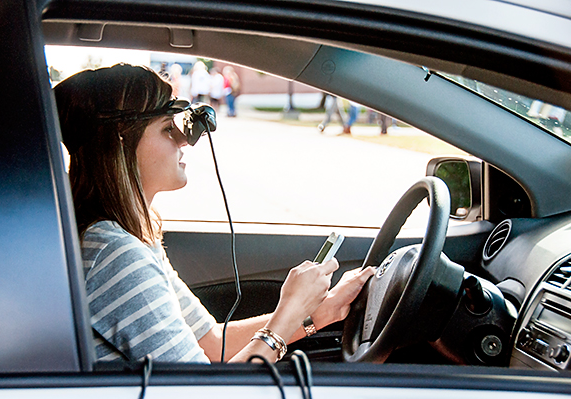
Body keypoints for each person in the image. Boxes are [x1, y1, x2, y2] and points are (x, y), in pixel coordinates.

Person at [54, 64, 374, 364]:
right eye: (168, 127)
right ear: (121, 142)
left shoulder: (130, 237)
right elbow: (206, 393)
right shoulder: (115, 254)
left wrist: (322, 311)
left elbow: (211, 341)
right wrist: (288, 313)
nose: (184, 140)